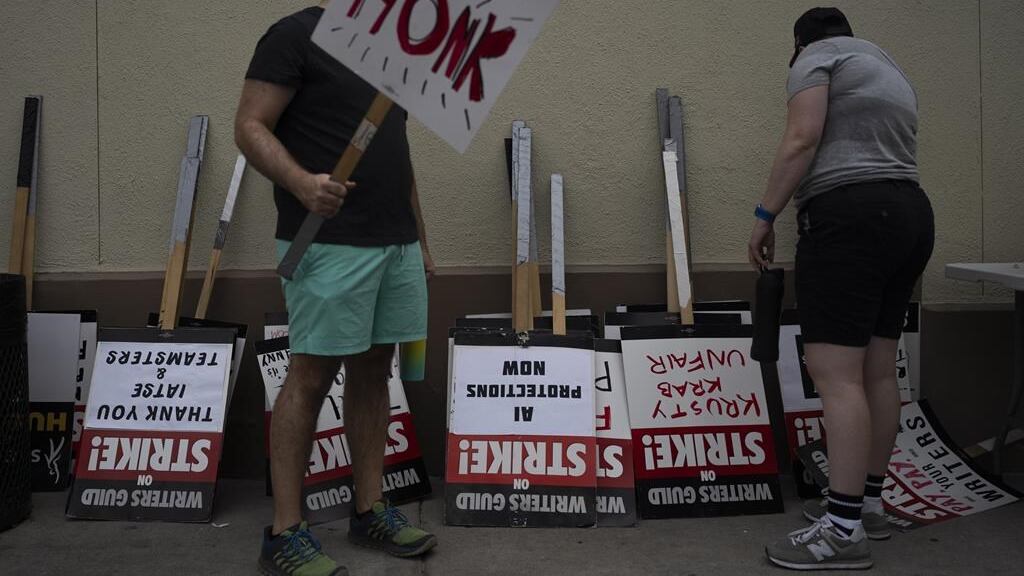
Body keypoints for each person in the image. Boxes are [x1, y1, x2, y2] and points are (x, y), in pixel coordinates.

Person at [235, 3, 438, 575]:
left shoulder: (392, 51)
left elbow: (396, 153)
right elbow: (249, 126)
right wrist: (302, 184)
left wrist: (420, 238)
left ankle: (370, 509)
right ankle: (285, 532)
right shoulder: (294, 35)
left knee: (376, 370)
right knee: (311, 374)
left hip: (394, 242)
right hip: (327, 243)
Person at [748, 7, 934, 571]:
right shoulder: (887, 66)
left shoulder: (816, 57)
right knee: (877, 370)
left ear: (799, 43)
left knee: (837, 377)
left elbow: (802, 138)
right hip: (909, 215)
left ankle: (842, 530)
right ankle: (868, 507)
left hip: (849, 221)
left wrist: (764, 216)